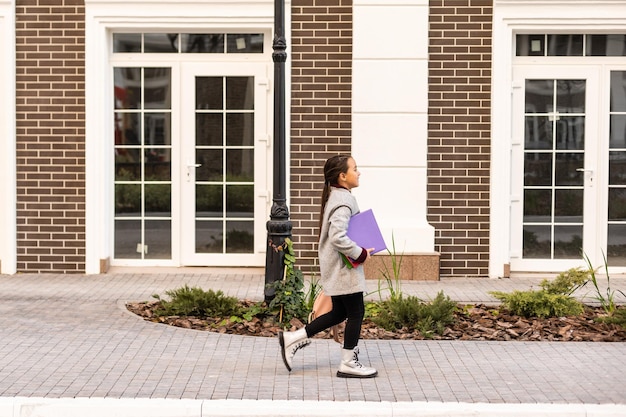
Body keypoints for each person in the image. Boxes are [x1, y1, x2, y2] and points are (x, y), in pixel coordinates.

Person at [278, 154, 377, 378]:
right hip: (344, 268)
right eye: (355, 169)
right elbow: (338, 237)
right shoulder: (343, 200)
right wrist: (360, 253)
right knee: (356, 312)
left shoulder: (337, 195)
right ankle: (348, 363)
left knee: (339, 312)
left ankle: (293, 338)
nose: (358, 172)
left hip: (338, 266)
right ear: (343, 176)